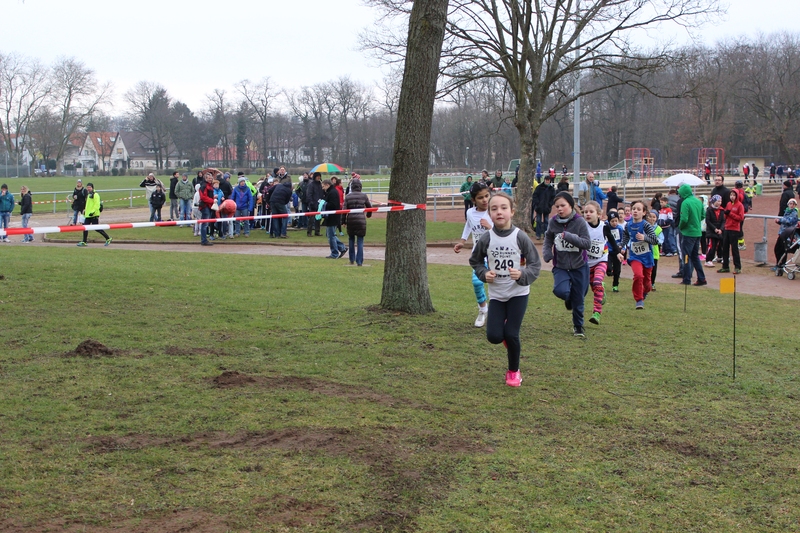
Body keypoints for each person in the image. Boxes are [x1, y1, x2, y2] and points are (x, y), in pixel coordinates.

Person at [469, 192, 541, 387]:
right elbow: (475, 261)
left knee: (511, 334)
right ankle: (506, 329)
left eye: (503, 208)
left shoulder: (520, 237)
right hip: (497, 295)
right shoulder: (486, 238)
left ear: (512, 212)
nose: (499, 212)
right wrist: (484, 273)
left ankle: (513, 371)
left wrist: (522, 274)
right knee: (494, 336)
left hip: (518, 293)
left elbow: (535, 264)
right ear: (489, 214)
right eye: (494, 209)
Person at [542, 192, 591, 337]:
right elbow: (548, 238)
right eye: (557, 206)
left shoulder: (580, 222)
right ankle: (568, 298)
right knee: (561, 291)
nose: (559, 209)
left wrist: (569, 237)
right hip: (561, 266)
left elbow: (586, 243)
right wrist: (547, 252)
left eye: (563, 205)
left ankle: (578, 326)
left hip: (580, 266)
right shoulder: (553, 222)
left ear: (571, 205)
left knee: (579, 297)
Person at [454, 181, 493, 327]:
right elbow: (468, 225)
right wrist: (462, 241)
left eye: (487, 196)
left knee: (497, 284)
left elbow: (504, 231)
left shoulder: (495, 211)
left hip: (495, 255)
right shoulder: (470, 212)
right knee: (477, 282)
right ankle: (483, 310)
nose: (485, 200)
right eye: (480, 197)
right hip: (479, 256)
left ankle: (500, 313)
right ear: (473, 200)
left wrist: (490, 227)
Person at [583, 201, 623, 325]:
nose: (588, 214)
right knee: (594, 287)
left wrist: (618, 253)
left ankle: (597, 313)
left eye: (591, 211)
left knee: (597, 282)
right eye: (585, 212)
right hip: (587, 263)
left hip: (601, 260)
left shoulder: (603, 227)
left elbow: (611, 240)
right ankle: (601, 289)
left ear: (599, 214)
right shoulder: (582, 227)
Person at [622, 200, 659, 309]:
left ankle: (645, 291)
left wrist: (644, 238)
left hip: (647, 257)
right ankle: (639, 300)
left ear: (643, 213)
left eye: (638, 209)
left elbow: (655, 240)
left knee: (647, 283)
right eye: (634, 209)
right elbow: (625, 237)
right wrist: (621, 246)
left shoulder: (646, 225)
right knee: (638, 276)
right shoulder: (628, 225)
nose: (635, 211)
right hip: (635, 256)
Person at [677, 184, 708, 285]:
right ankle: (701, 278)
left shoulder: (685, 202)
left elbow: (684, 219)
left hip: (688, 233)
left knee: (686, 256)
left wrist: (681, 227)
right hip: (697, 232)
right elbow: (703, 215)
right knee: (695, 256)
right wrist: (695, 221)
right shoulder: (698, 201)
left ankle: (687, 278)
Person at [344, 179, 373, 266]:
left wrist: (343, 221)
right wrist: (368, 215)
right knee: (360, 240)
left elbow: (344, 210)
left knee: (351, 239)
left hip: (350, 220)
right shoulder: (364, 196)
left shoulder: (348, 197)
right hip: (361, 220)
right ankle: (359, 261)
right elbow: (369, 207)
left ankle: (351, 259)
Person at [718, 189, 745, 274]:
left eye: (734, 195)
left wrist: (730, 214)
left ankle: (737, 267)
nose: (732, 197)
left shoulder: (740, 205)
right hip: (727, 228)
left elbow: (741, 218)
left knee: (734, 249)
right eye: (731, 195)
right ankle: (725, 266)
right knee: (725, 248)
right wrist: (726, 214)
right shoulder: (728, 204)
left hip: (734, 229)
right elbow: (726, 217)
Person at [321, 179, 347, 259]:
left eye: (323, 186)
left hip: (332, 217)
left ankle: (335, 253)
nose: (322, 188)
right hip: (331, 217)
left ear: (327, 185)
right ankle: (342, 248)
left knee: (331, 236)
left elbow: (333, 205)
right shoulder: (331, 192)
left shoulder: (332, 193)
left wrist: (324, 204)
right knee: (330, 235)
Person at [773, 198, 799, 275]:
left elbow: (789, 221)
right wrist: (779, 222)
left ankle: (781, 265)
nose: (792, 205)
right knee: (778, 249)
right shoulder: (786, 212)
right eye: (790, 204)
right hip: (782, 233)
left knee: (783, 250)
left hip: (788, 234)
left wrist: (780, 220)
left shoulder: (794, 213)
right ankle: (779, 264)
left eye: (793, 204)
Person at [532, 175, 555, 240]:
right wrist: (537, 203)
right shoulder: (539, 187)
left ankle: (546, 235)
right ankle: (538, 235)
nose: (547, 181)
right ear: (544, 180)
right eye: (546, 180)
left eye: (548, 180)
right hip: (539, 207)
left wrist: (550, 204)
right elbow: (535, 196)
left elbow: (553, 198)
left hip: (547, 207)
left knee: (546, 221)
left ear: (550, 181)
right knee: (538, 221)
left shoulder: (552, 189)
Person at [269, 173, 293, 239]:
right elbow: (287, 200)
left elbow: (270, 190)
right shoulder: (289, 190)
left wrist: (270, 199)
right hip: (280, 202)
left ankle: (277, 234)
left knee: (275, 217)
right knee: (285, 216)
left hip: (272, 201)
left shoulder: (278, 185)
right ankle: (283, 233)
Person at [197, 170, 217, 246]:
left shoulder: (209, 186)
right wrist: (212, 200)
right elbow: (203, 197)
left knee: (206, 223)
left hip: (208, 206)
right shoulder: (204, 186)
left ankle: (204, 239)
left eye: (211, 178)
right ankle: (204, 240)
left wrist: (213, 198)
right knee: (205, 223)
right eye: (209, 178)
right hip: (205, 206)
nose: (210, 179)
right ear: (205, 178)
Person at [606, 211, 625, 292]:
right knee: (608, 267)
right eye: (612, 221)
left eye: (616, 221)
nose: (614, 223)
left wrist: (623, 247)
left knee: (617, 270)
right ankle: (609, 271)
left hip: (617, 251)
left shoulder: (620, 229)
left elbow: (623, 239)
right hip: (608, 251)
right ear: (609, 221)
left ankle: (615, 286)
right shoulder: (606, 228)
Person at [704, 195, 725, 266]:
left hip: (719, 231)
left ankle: (719, 256)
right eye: (718, 201)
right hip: (711, 231)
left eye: (720, 201)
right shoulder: (709, 210)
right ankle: (708, 260)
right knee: (711, 246)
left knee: (719, 245)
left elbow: (723, 221)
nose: (719, 203)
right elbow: (708, 221)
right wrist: (714, 229)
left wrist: (721, 229)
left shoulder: (722, 210)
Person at [646, 210, 663, 291]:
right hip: (645, 252)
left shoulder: (658, 229)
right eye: (650, 216)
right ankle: (645, 283)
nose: (651, 219)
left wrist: (654, 240)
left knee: (653, 269)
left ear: (656, 218)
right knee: (646, 268)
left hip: (654, 253)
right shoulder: (644, 226)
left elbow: (661, 240)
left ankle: (652, 283)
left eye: (654, 217)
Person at [306, 172, 323, 236]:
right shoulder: (311, 184)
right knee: (311, 219)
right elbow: (309, 194)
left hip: (319, 204)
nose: (319, 177)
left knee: (318, 218)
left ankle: (317, 231)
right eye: (317, 176)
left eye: (319, 176)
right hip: (313, 204)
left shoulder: (320, 184)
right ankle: (309, 232)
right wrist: (311, 202)